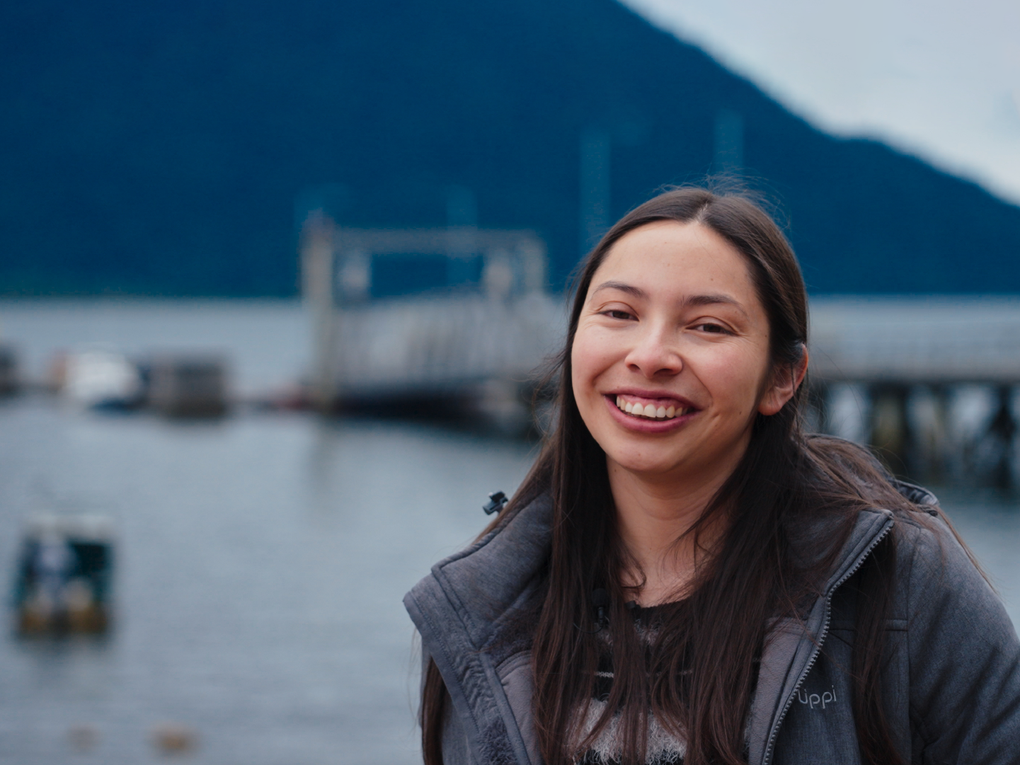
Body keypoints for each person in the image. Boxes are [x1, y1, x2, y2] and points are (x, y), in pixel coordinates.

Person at [404, 187, 1020, 765]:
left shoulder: (900, 583)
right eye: (619, 312)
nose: (649, 355)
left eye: (707, 326)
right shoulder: (481, 610)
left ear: (783, 377)